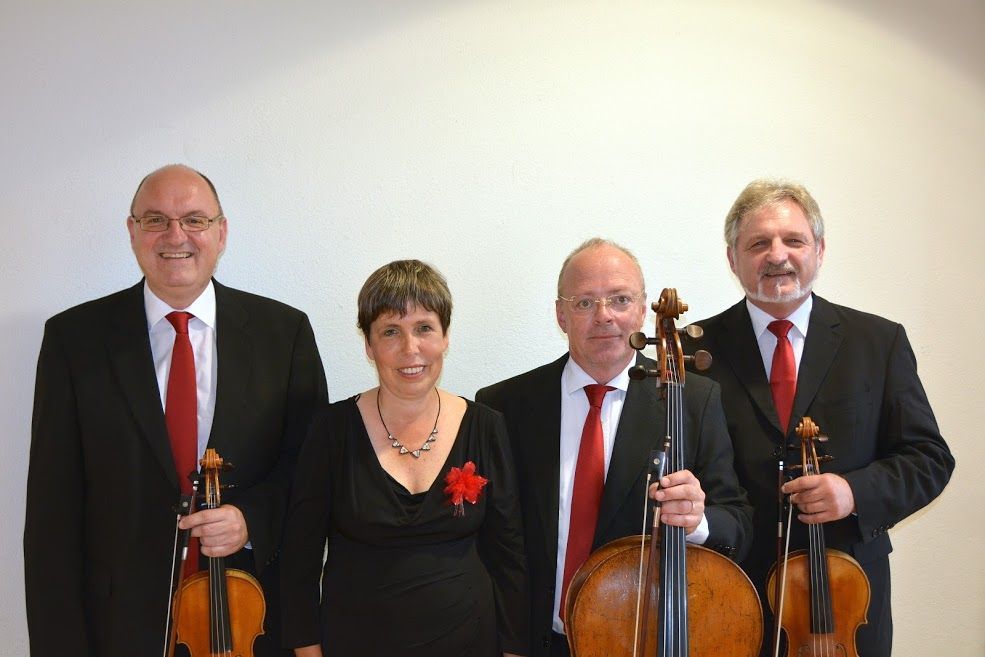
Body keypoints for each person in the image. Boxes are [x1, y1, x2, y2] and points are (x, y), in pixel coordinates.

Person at [23, 164, 328, 657]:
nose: (175, 236)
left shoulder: (284, 333)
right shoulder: (73, 340)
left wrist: (252, 518)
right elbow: (51, 512)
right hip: (117, 626)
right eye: (155, 220)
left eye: (194, 220)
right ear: (132, 231)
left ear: (221, 232)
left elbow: (311, 469)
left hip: (247, 621)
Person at [686, 179, 955, 657]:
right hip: (733, 590)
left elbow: (929, 459)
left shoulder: (878, 342)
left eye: (793, 240)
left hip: (846, 598)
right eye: (758, 243)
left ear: (820, 250)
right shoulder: (694, 351)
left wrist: (854, 492)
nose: (777, 255)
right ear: (732, 259)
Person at [476, 238, 752, 657]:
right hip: (533, 643)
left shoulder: (694, 400)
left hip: (638, 638)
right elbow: (492, 541)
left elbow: (738, 522)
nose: (603, 316)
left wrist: (697, 520)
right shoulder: (504, 405)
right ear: (561, 315)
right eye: (584, 302)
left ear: (641, 310)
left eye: (620, 299)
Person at [280, 259, 528, 657]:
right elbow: (300, 560)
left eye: (424, 328)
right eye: (391, 331)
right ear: (369, 345)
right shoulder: (330, 430)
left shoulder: (486, 426)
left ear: (445, 337)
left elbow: (509, 555)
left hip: (471, 643)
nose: (410, 349)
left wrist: (515, 651)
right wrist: (307, 650)